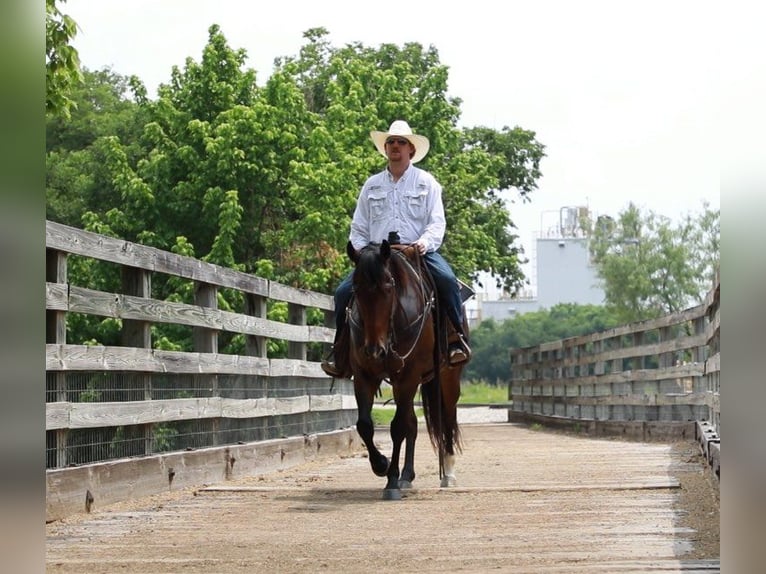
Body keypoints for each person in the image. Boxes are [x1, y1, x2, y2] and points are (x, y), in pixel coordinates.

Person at [322, 120, 471, 377]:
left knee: (447, 281)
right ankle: (341, 350)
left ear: (411, 149)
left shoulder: (427, 183)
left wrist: (423, 244)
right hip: (378, 256)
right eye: (391, 142)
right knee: (342, 292)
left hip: (417, 253)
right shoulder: (372, 185)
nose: (395, 146)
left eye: (401, 142)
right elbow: (358, 227)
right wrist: (362, 254)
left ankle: (455, 340)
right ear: (386, 148)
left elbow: (437, 223)